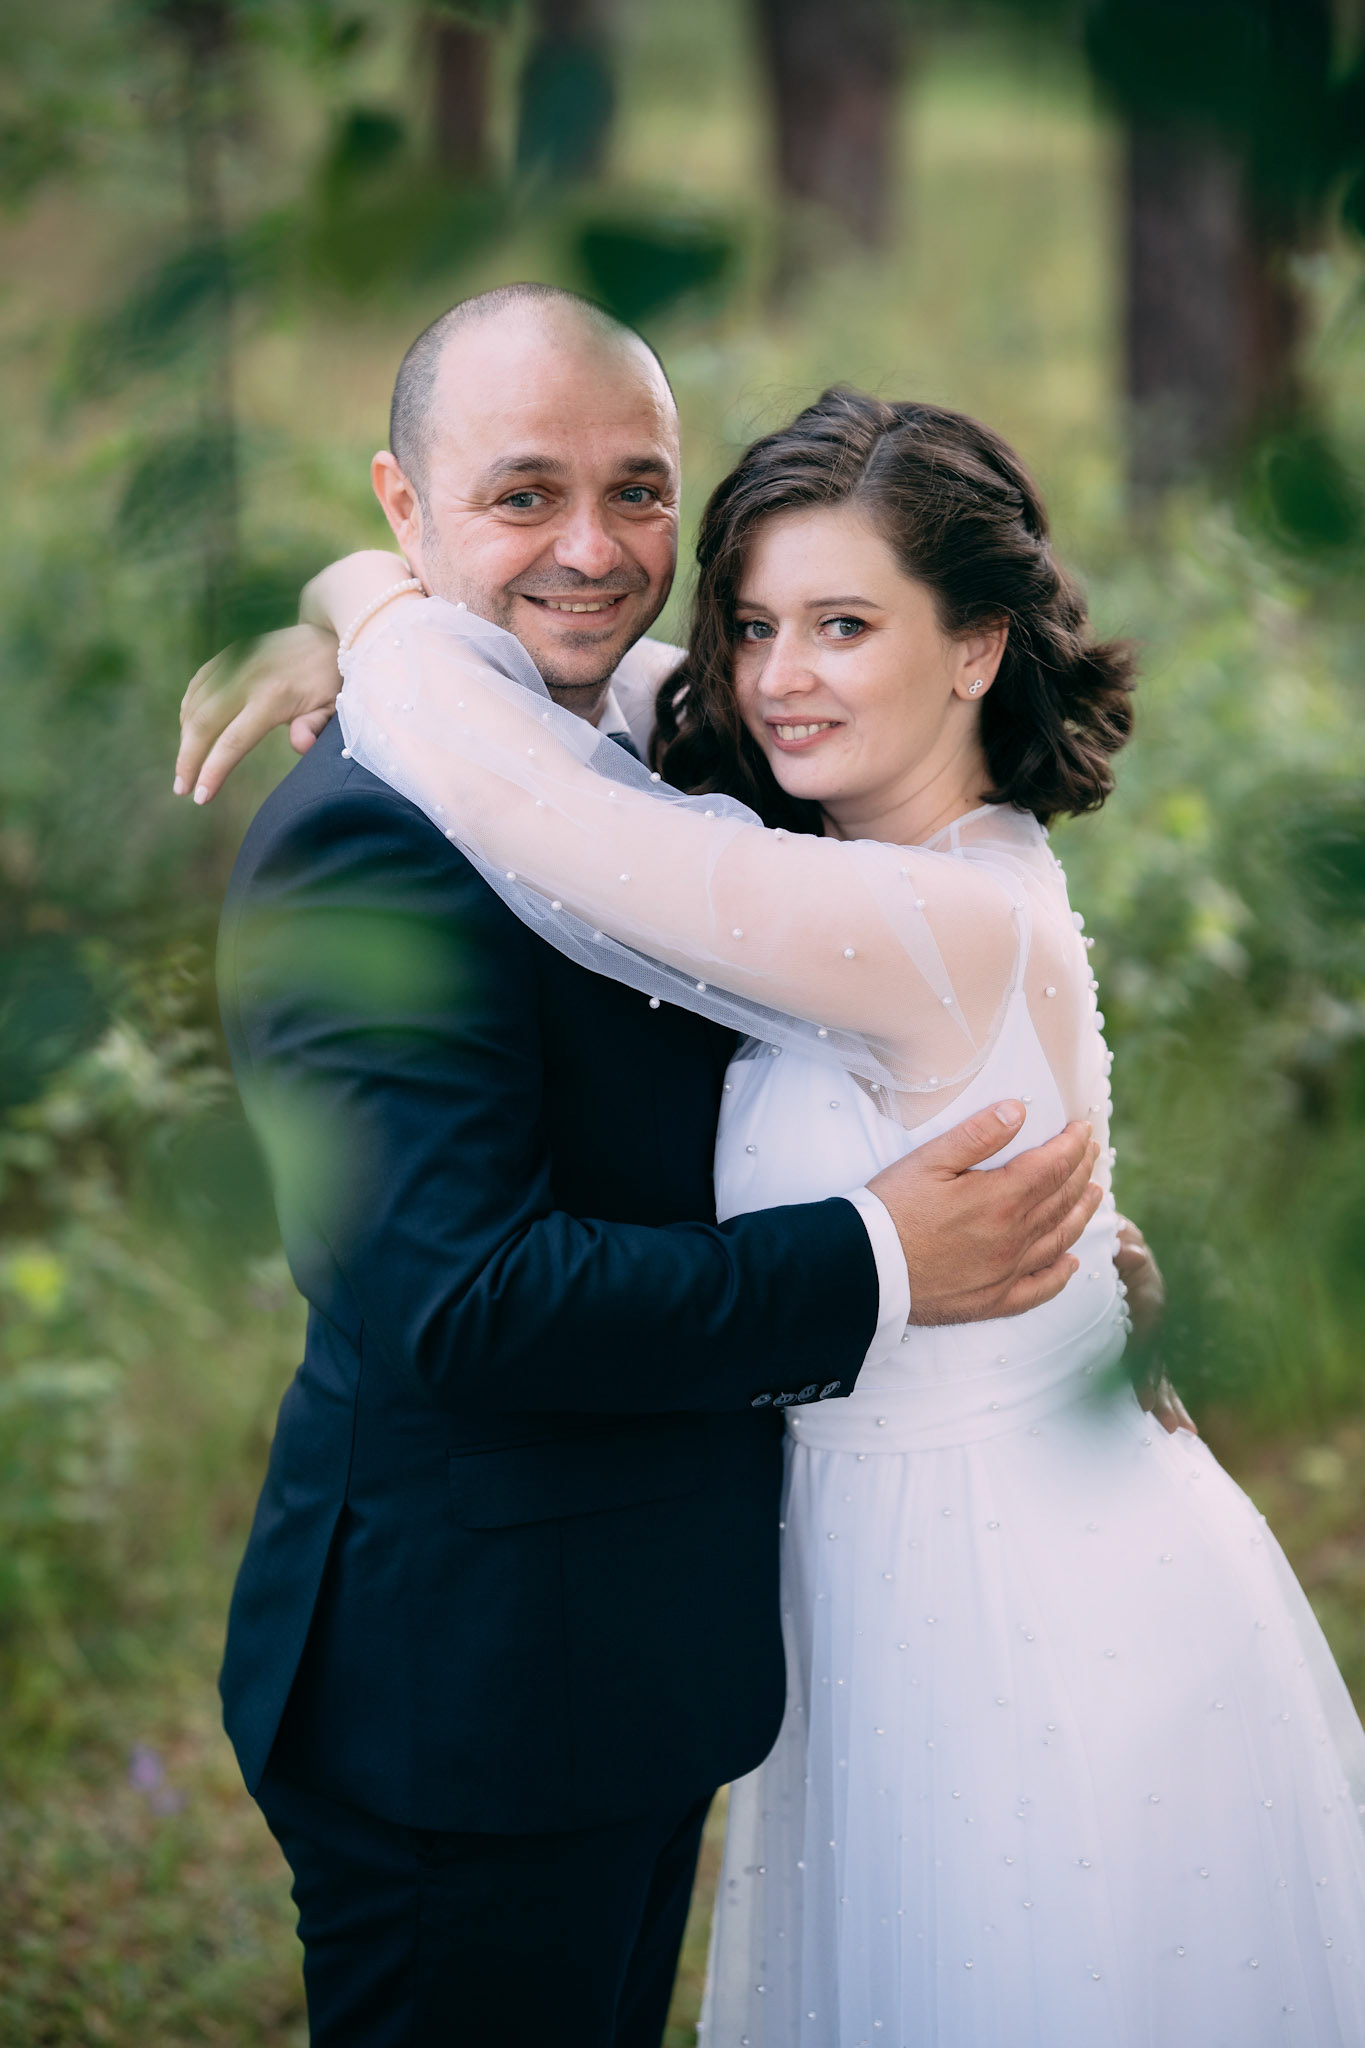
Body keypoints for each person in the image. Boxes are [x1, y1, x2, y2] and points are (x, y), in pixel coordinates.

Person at [257, 384, 1365, 2044]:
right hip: (873, 1584)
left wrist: (371, 607)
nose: (779, 677)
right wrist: (358, 592)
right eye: (757, 623)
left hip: (1008, 1605)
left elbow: (536, 803)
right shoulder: (849, 844)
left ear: (976, 647)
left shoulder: (926, 919)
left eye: (845, 625)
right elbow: (605, 689)